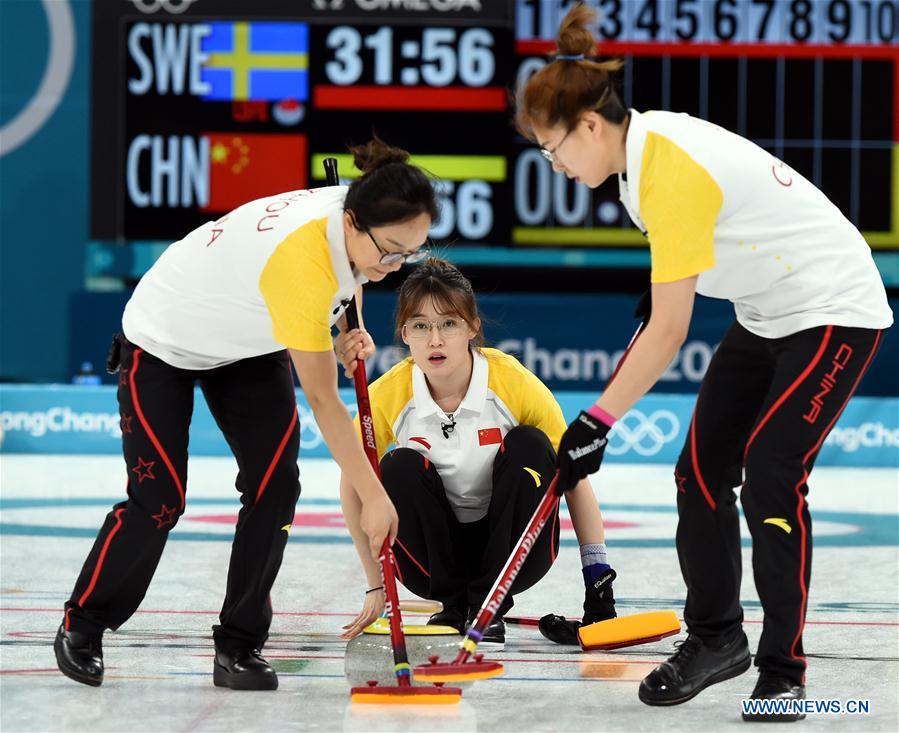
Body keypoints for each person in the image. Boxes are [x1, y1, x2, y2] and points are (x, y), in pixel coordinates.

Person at [515, 3, 892, 721]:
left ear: (589, 126)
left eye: (552, 148)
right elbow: (667, 294)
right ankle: (717, 638)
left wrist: (597, 420)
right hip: (765, 310)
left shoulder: (665, 169)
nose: (554, 165)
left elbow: (668, 331)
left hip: (833, 310)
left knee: (771, 477)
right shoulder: (640, 165)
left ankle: (784, 671)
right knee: (699, 471)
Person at [54, 139, 437, 690]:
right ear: (351, 222)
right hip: (165, 334)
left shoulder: (356, 217)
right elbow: (326, 403)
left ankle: (239, 644)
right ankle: (83, 624)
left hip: (245, 339)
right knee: (159, 498)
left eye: (411, 254)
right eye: (391, 252)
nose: (395, 266)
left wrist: (337, 333)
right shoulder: (301, 262)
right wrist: (375, 496)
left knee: (276, 485)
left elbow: (340, 284)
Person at [335, 258, 618, 644]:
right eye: (421, 326)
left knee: (531, 446)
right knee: (395, 466)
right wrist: (375, 585)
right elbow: (353, 485)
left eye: (448, 324)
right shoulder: (387, 394)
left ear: (472, 327)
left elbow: (574, 479)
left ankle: (489, 601)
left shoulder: (512, 382)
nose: (435, 340)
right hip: (428, 565)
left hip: (519, 556)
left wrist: (597, 583)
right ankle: (455, 606)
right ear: (404, 333)